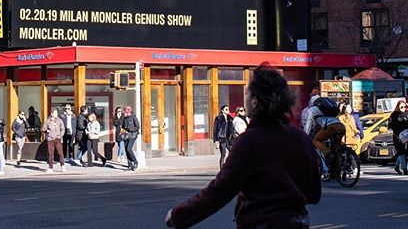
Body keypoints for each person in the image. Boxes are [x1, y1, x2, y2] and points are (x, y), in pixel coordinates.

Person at [165, 63, 321, 229]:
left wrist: (178, 216)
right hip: (298, 223)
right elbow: (313, 194)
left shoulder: (250, 142)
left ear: (255, 101)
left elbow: (219, 191)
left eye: (247, 93)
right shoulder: (301, 139)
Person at [303, 97, 345, 174]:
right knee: (335, 149)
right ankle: (336, 172)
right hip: (341, 126)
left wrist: (305, 135)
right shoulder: (327, 110)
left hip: (330, 128)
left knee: (315, 140)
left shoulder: (312, 110)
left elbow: (308, 123)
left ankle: (328, 153)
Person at [42, 109, 66, 173]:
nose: (56, 114)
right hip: (50, 139)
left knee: (60, 153)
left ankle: (62, 165)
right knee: (50, 154)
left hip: (57, 139)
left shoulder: (59, 120)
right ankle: (50, 168)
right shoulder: (48, 121)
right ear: (52, 114)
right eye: (55, 113)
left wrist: (60, 136)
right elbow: (43, 129)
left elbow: (63, 129)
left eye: (57, 113)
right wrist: (46, 130)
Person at [388, 99, 408, 175]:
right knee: (401, 152)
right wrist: (398, 121)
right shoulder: (394, 114)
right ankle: (404, 169)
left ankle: (397, 166)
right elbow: (390, 125)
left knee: (403, 153)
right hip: (397, 136)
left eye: (404, 107)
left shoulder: (406, 113)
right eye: (401, 107)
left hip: (406, 135)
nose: (403, 108)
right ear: (398, 107)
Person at [120, 105, 140, 171]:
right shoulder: (124, 118)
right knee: (126, 150)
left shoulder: (133, 117)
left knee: (129, 149)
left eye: (124, 111)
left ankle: (135, 162)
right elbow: (122, 126)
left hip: (133, 135)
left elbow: (137, 126)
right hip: (126, 135)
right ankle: (130, 165)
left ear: (128, 111)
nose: (123, 112)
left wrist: (130, 129)